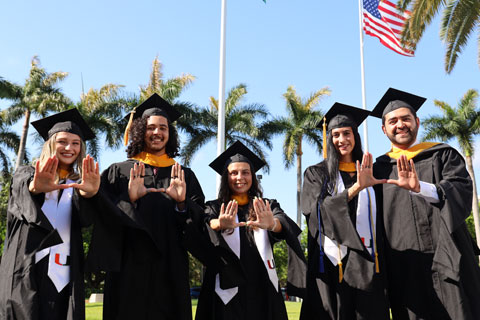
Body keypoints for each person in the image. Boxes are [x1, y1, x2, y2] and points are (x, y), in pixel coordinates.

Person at [87, 93, 222, 320]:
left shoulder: (184, 175)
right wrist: (128, 198)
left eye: (163, 128)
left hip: (170, 265)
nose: (157, 133)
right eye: (151, 128)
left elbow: (199, 223)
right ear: (140, 131)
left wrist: (182, 204)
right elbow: (100, 215)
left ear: (170, 134)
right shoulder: (118, 171)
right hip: (128, 265)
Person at [371, 88, 480, 319]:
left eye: (405, 119)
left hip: (449, 257)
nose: (400, 125)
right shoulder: (377, 169)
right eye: (393, 121)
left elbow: (461, 188)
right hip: (404, 265)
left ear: (417, 122)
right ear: (384, 129)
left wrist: (422, 188)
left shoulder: (442, 155)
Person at [0, 108, 100, 320]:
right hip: (26, 272)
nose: (69, 148)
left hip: (64, 276)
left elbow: (86, 220)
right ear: (50, 143)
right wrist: (36, 187)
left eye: (75, 143)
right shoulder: (26, 173)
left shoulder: (79, 185)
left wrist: (90, 195)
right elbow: (25, 192)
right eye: (62, 141)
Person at [195, 141, 306, 320]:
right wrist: (220, 223)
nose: (240, 177)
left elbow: (283, 224)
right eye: (234, 173)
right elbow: (205, 223)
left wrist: (272, 224)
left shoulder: (265, 205)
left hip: (262, 283)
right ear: (226, 177)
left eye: (245, 172)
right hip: (225, 286)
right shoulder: (215, 206)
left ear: (253, 177)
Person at [300, 103, 389, 320]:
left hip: (367, 261)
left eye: (347, 134)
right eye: (336, 135)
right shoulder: (317, 174)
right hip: (332, 263)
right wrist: (357, 188)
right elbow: (314, 211)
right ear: (329, 138)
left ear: (355, 136)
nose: (342, 140)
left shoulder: (372, 172)